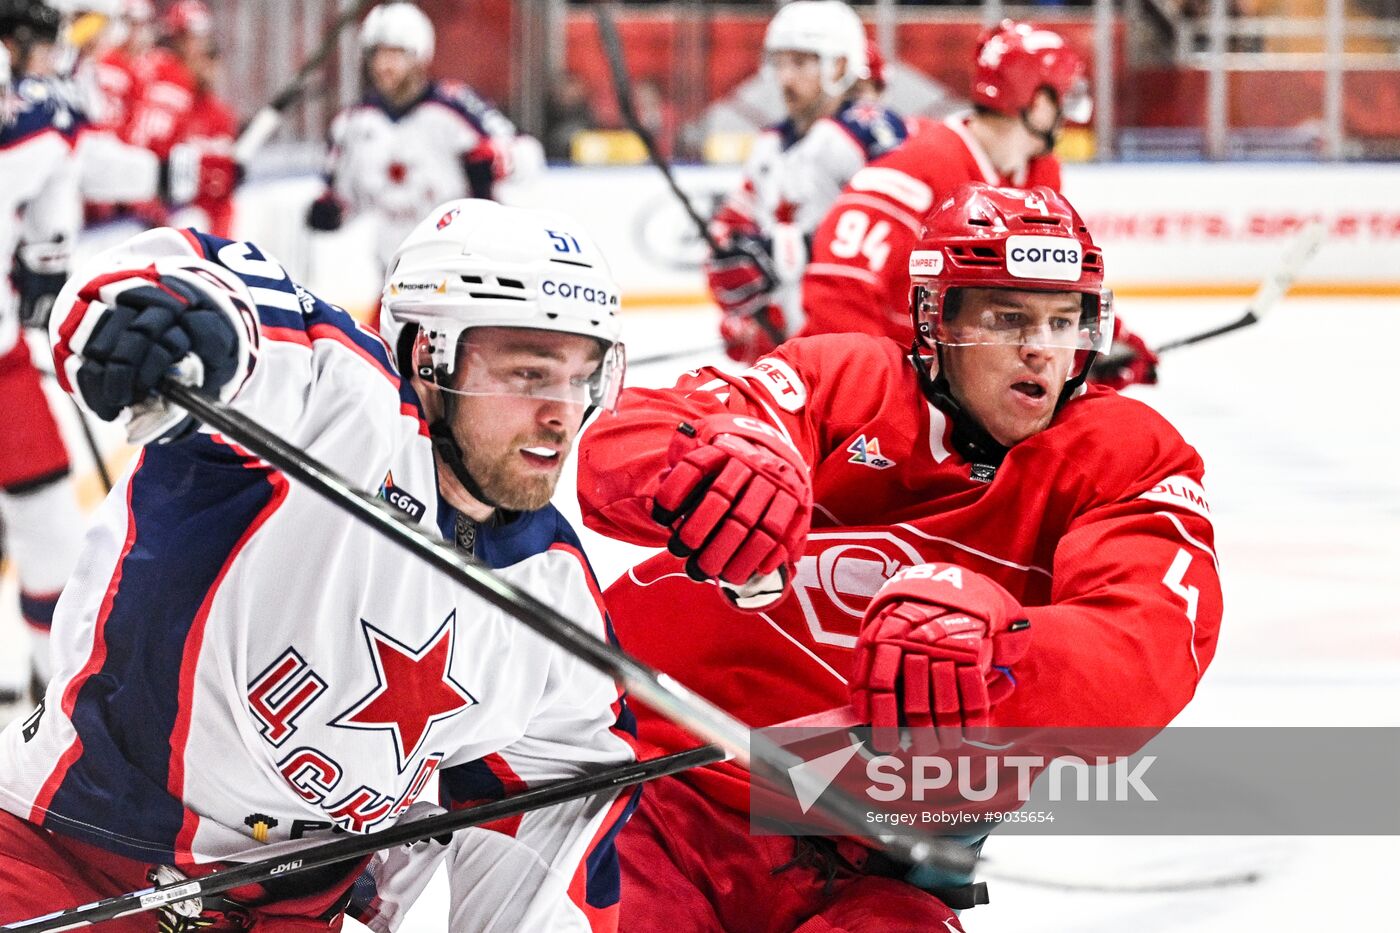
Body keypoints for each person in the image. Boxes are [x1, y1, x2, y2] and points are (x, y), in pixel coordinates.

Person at [577, 183, 1222, 931]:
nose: (1041, 348)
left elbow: (1149, 642)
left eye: (1062, 320)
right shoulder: (845, 381)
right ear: (935, 319)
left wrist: (1001, 649)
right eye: (1007, 317)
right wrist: (711, 465)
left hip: (869, 864)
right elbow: (628, 439)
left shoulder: (1128, 456)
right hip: (657, 795)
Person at [0, 198, 637, 931]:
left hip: (291, 913)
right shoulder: (335, 407)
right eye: (529, 374)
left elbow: (557, 811)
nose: (562, 413)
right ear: (427, 355)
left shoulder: (554, 597)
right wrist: (164, 312)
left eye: (583, 377)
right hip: (64, 861)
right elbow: (221, 291)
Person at [801, 19, 1159, 390]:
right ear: (1038, 103)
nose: (1067, 117)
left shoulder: (1039, 176)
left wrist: (1106, 340)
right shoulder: (918, 169)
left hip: (974, 379)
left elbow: (1052, 287)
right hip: (907, 378)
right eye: (1063, 100)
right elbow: (838, 292)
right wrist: (877, 390)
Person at [706, 0, 905, 364]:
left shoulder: (869, 133)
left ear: (839, 65)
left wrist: (795, 249)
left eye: (800, 63)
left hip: (863, 345)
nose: (785, 78)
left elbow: (900, 237)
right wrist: (748, 305)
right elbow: (730, 229)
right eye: (779, 62)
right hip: (799, 349)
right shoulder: (769, 144)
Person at [0, 0, 87, 717]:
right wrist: (44, 266)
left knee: (48, 523)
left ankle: (49, 690)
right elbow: (56, 134)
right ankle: (52, 695)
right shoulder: (41, 119)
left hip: (3, 365)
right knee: (48, 530)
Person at [306, 1, 530, 275]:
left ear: (420, 54)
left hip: (462, 270)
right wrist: (331, 212)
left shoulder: (456, 105)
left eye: (395, 53)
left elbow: (527, 154)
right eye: (377, 54)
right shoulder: (352, 123)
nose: (383, 64)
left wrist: (496, 161)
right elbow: (344, 198)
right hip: (394, 274)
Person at [119, 0, 240, 235]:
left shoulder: (185, 85)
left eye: (201, 38)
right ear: (177, 39)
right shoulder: (168, 76)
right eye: (192, 38)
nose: (200, 47)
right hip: (143, 195)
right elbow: (147, 142)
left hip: (153, 190)